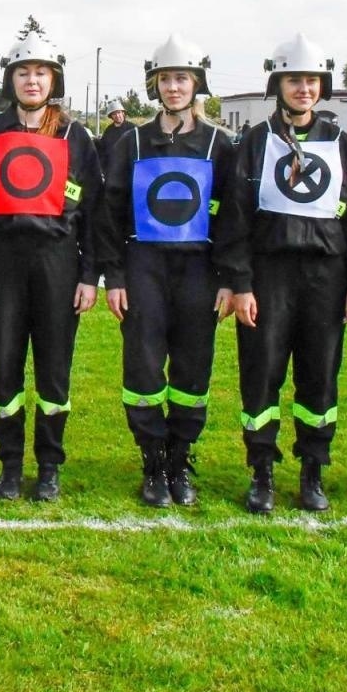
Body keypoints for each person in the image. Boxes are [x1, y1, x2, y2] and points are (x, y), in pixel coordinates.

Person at [0, 32, 101, 501]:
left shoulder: (76, 137)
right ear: (10, 78)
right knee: (4, 370)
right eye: (22, 72)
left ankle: (50, 466)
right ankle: (11, 465)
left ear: (53, 78)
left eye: (40, 72)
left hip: (57, 267)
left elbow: (96, 212)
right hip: (0, 268)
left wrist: (89, 275)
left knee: (54, 372)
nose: (31, 80)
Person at [226, 33, 347, 513]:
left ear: (321, 85)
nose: (303, 89)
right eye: (294, 80)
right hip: (269, 276)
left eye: (311, 81)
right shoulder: (254, 142)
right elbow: (236, 220)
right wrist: (241, 284)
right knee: (261, 373)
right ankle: (261, 470)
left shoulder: (344, 145)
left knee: (319, 377)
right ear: (278, 83)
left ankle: (313, 470)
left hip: (325, 279)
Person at [97, 35, 237, 507]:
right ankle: (152, 459)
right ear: (153, 84)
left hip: (199, 268)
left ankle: (180, 458)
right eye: (166, 79)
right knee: (142, 363)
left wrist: (229, 278)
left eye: (183, 78)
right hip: (144, 266)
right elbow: (110, 212)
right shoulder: (131, 140)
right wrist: (113, 277)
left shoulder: (221, 143)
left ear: (197, 83)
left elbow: (234, 218)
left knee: (193, 366)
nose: (174, 87)